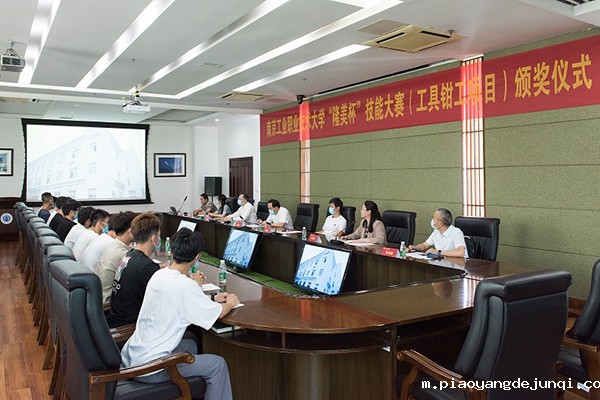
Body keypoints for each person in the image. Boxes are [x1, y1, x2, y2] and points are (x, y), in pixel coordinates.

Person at [121, 228, 238, 400]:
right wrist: (230, 303)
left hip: (133, 357)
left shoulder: (159, 274)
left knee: (190, 343)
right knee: (218, 365)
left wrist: (211, 297)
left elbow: (178, 299)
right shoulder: (185, 286)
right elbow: (219, 314)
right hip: (152, 369)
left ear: (171, 251)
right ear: (197, 257)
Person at [107, 213, 162, 328]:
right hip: (130, 326)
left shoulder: (129, 255)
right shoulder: (146, 267)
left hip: (115, 318)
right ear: (153, 238)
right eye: (158, 236)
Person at [93, 211, 137, 303]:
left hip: (100, 298)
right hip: (108, 304)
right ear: (131, 231)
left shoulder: (113, 245)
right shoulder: (123, 254)